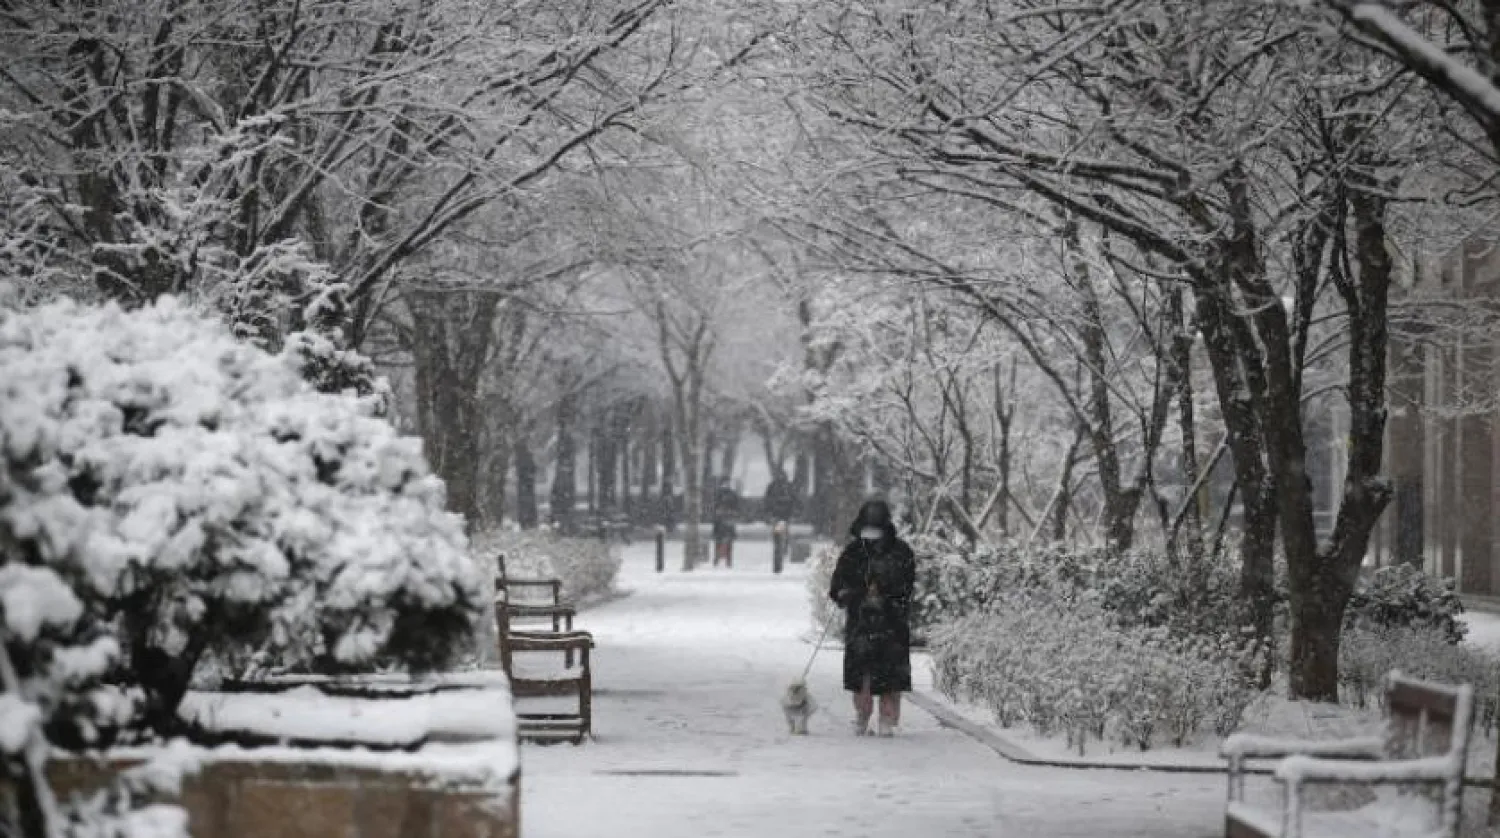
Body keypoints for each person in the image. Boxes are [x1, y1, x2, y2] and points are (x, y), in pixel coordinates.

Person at [827, 499, 915, 737]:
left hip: (891, 623)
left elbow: (907, 587)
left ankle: (887, 718)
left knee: (889, 675)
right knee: (863, 675)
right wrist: (851, 594)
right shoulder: (853, 553)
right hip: (861, 623)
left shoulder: (901, 552)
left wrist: (886, 597)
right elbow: (837, 585)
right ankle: (862, 715)